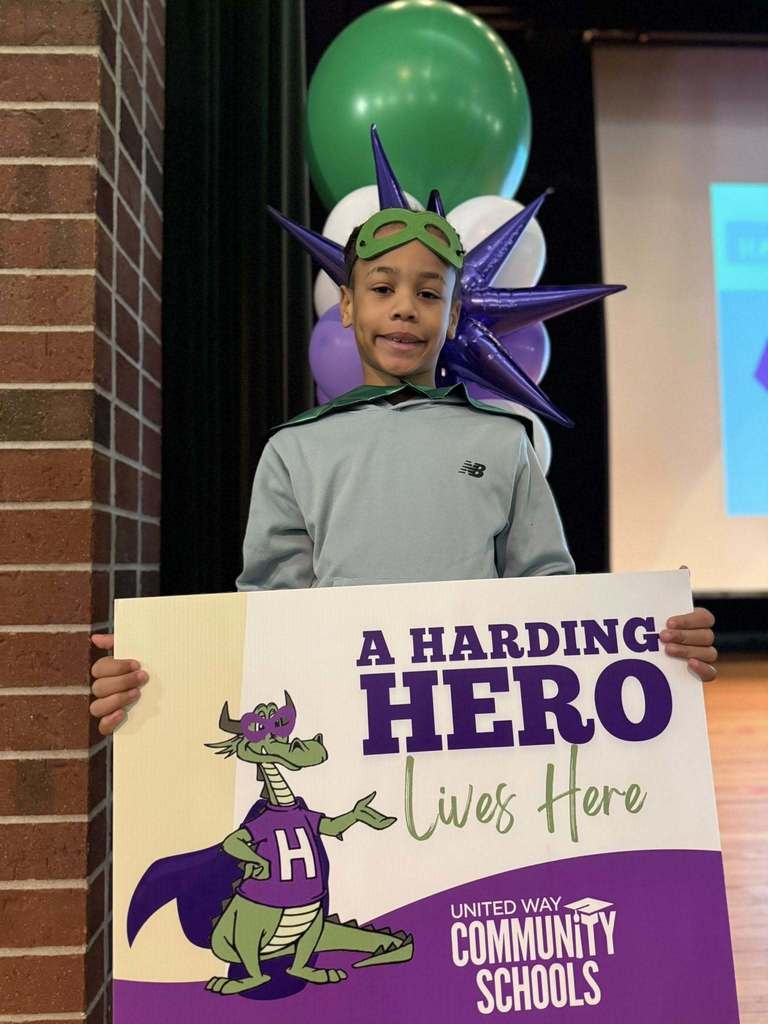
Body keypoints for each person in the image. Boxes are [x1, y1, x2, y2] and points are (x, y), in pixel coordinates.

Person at [90, 209, 717, 734]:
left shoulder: (504, 442)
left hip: (480, 733)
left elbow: (552, 604)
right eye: (382, 288)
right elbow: (266, 619)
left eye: (428, 293)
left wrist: (658, 642)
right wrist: (164, 667)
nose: (405, 310)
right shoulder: (294, 452)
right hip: (343, 729)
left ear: (451, 316)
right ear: (345, 305)